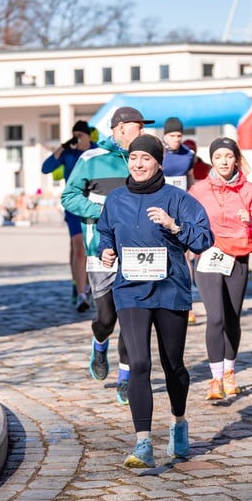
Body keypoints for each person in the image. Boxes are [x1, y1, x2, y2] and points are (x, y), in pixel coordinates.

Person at [96, 134, 214, 468]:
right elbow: (105, 231)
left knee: (172, 364)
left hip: (170, 290)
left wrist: (174, 226)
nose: (138, 164)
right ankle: (142, 442)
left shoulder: (178, 198)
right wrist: (106, 249)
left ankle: (178, 422)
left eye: (145, 158)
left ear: (159, 162)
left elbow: (205, 237)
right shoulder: (116, 199)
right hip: (130, 289)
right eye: (133, 158)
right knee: (139, 364)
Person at [61, 106, 154, 405]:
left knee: (131, 320)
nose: (144, 132)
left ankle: (125, 379)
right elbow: (69, 196)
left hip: (138, 254)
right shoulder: (91, 159)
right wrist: (102, 211)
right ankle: (99, 343)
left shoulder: (145, 161)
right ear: (124, 128)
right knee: (107, 318)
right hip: (100, 252)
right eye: (140, 127)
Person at [188, 137, 252, 400]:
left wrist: (251, 223)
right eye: (218, 157)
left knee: (231, 318)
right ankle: (215, 378)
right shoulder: (199, 190)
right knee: (214, 317)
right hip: (208, 257)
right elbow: (187, 220)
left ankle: (229, 371)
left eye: (228, 156)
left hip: (238, 258)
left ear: (236, 159)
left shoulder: (249, 191)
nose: (224, 161)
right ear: (212, 160)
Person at [42, 120, 98, 312]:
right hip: (74, 206)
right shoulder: (69, 153)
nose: (78, 139)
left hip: (93, 204)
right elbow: (46, 168)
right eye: (75, 135)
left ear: (88, 136)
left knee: (91, 248)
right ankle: (81, 293)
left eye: (80, 135)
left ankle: (88, 284)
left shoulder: (96, 151)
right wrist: (63, 147)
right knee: (78, 247)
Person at [161, 117, 198, 323]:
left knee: (186, 258)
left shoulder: (189, 154)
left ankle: (187, 304)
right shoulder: (159, 152)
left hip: (181, 211)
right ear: (165, 135)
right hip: (160, 209)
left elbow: (191, 179)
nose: (176, 139)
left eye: (179, 136)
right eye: (172, 135)